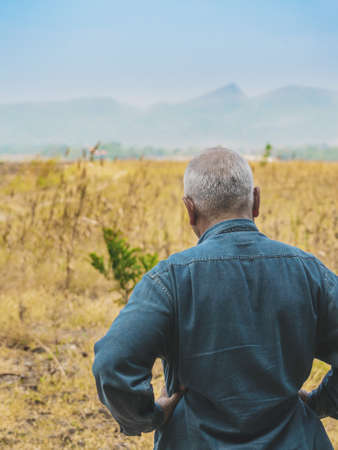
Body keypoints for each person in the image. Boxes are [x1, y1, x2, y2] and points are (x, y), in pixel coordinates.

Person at [92, 147, 337, 449]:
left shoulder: (171, 279)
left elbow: (113, 364)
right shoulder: (309, 272)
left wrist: (149, 416)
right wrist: (322, 402)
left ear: (190, 210)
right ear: (256, 201)